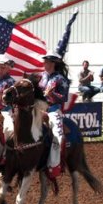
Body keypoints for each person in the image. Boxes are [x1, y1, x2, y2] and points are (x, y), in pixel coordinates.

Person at [39, 51, 70, 180]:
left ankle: (54, 166)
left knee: (58, 135)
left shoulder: (61, 79)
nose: (44, 63)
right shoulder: (42, 77)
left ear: (53, 63)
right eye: (44, 61)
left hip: (53, 110)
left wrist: (52, 95)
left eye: (47, 61)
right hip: (39, 108)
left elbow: (64, 98)